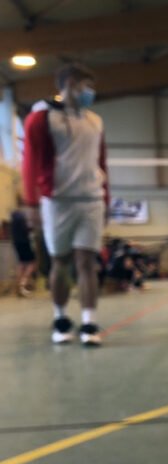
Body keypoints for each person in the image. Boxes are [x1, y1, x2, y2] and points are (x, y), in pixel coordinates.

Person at [22, 63, 108, 346]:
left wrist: (106, 198)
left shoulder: (95, 121)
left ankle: (88, 322)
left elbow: (101, 161)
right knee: (61, 261)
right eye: (85, 86)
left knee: (87, 262)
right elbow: (30, 161)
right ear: (70, 84)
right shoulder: (41, 118)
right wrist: (32, 203)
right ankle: (60, 318)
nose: (90, 93)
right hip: (57, 201)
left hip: (91, 200)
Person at [10, 205, 37, 297]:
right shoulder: (22, 217)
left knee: (21, 264)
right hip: (25, 242)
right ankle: (23, 284)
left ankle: (18, 286)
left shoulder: (13, 218)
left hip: (16, 243)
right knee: (32, 264)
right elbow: (26, 229)